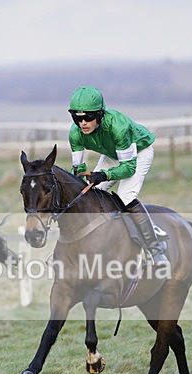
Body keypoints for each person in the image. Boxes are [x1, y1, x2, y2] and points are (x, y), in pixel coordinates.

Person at [67, 86, 168, 265]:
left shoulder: (118, 127)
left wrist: (103, 175)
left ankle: (155, 249)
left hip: (138, 153)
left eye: (88, 117)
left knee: (124, 198)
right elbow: (79, 169)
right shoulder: (75, 134)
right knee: (90, 195)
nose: (83, 123)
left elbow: (128, 168)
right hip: (113, 154)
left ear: (99, 114)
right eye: (77, 117)